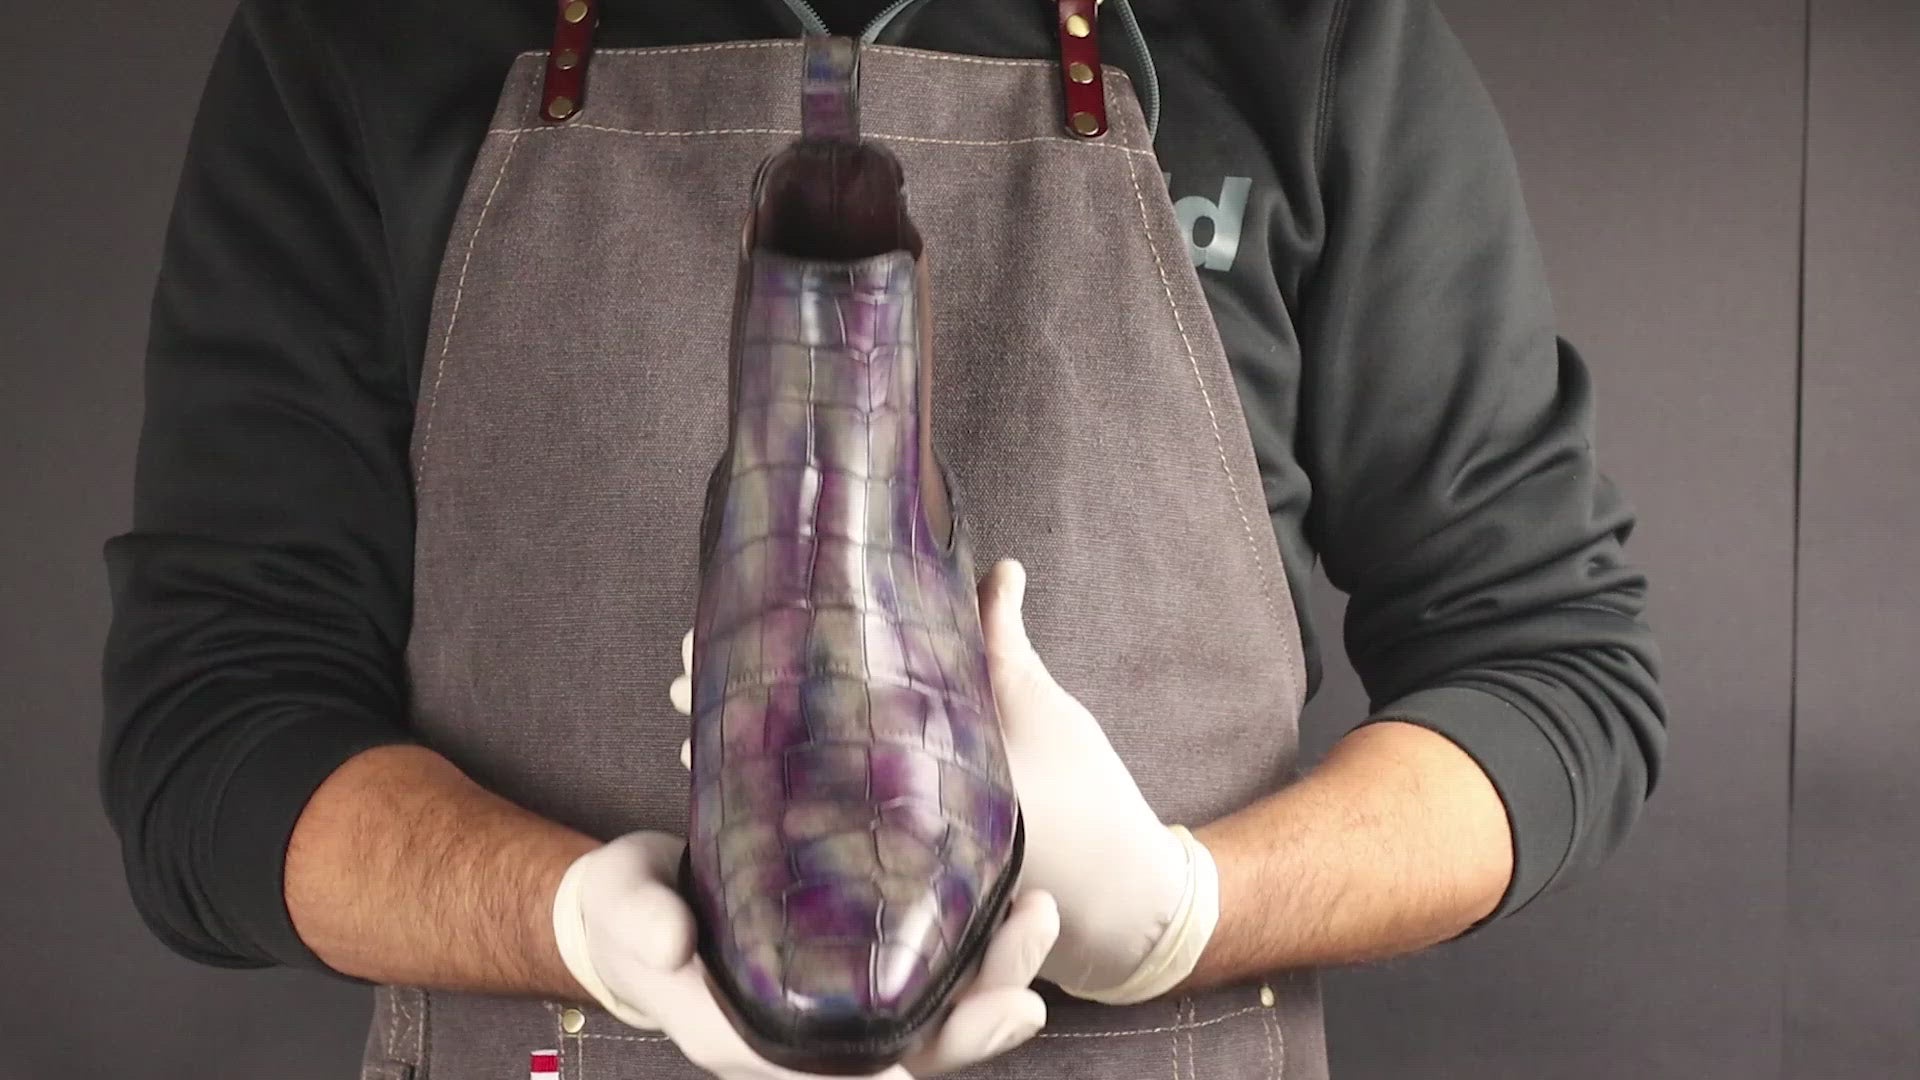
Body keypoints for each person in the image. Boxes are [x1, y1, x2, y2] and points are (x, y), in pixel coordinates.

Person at [99, 0, 1667, 1076]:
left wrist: (1187, 908)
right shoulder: (362, 37)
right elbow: (214, 727)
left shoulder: (1307, 34)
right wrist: (564, 920)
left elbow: (1551, 671)